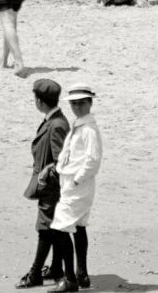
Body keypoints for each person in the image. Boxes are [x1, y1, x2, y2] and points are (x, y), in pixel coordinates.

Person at [49, 85, 102, 293]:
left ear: (90, 103)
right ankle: (82, 274)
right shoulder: (81, 124)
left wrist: (77, 180)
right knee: (79, 226)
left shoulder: (88, 128)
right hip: (71, 181)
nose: (77, 107)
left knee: (60, 228)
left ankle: (69, 278)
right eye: (74, 103)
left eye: (81, 103)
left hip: (77, 184)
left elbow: (93, 160)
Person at [19, 78, 72, 289]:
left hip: (51, 189)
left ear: (40, 101)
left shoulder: (57, 124)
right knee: (54, 229)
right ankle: (56, 268)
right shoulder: (55, 119)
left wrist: (45, 176)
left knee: (45, 228)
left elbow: (60, 161)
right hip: (51, 187)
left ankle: (35, 274)